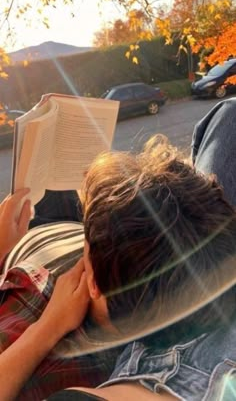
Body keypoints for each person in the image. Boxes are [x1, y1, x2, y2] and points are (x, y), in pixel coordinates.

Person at [1, 98, 236, 400]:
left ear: (95, 283)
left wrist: (47, 327)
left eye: (88, 240)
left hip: (25, 263)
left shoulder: (69, 375)